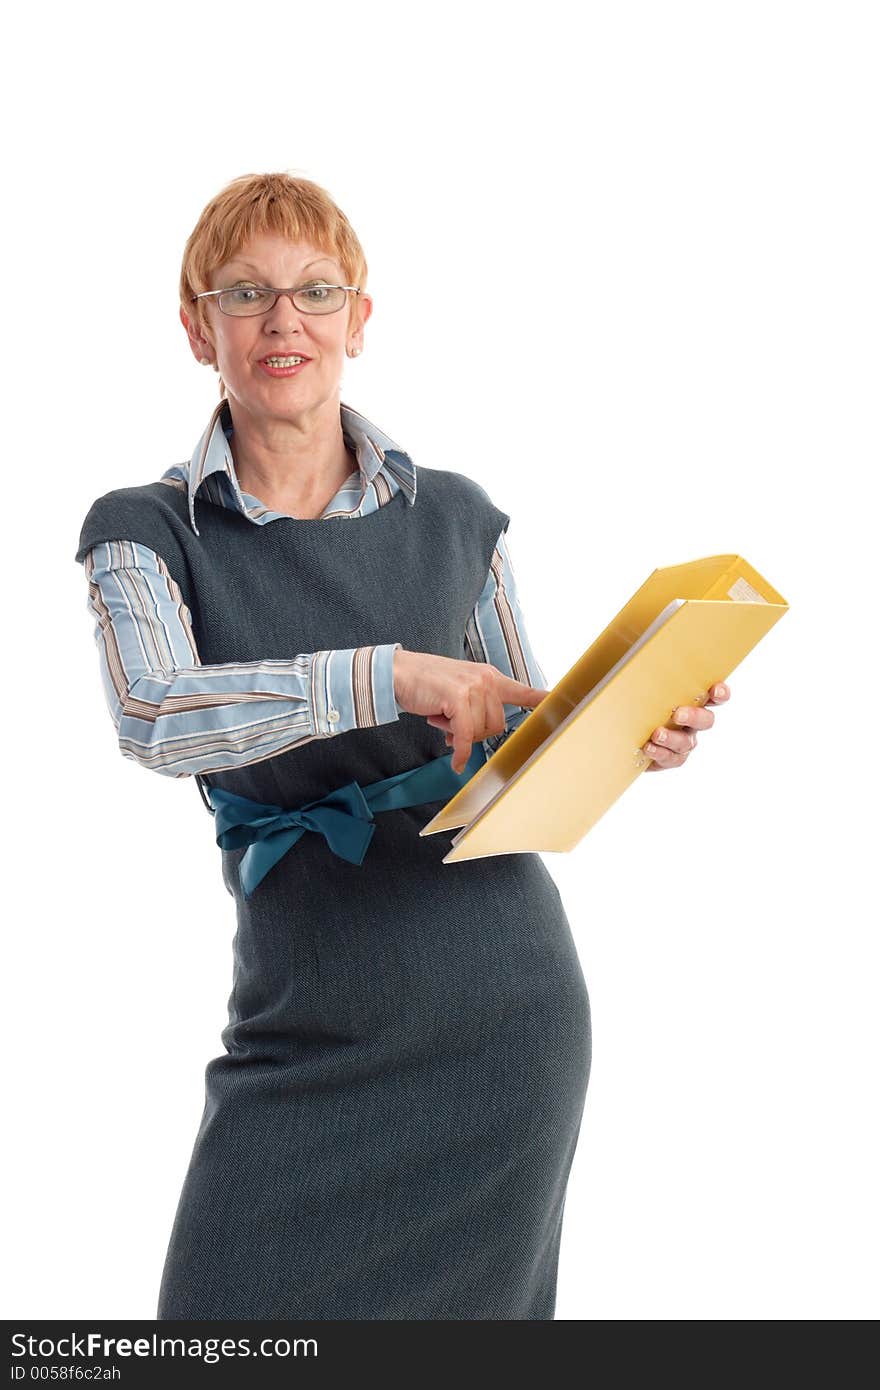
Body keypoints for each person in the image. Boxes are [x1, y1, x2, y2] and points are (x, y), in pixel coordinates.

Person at [74, 171, 730, 1320]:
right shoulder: (143, 531)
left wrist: (630, 734)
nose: (285, 321)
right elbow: (157, 716)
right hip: (302, 1028)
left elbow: (517, 753)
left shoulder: (458, 515)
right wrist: (386, 674)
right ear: (196, 328)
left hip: (500, 1016)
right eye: (248, 293)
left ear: (358, 322)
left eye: (316, 291)